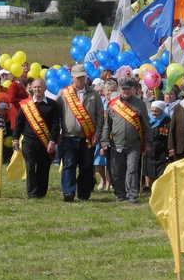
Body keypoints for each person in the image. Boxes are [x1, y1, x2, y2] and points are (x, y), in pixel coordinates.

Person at [55, 64, 104, 202]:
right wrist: (57, 132)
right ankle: (69, 192)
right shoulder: (64, 93)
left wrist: (97, 134)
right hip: (68, 136)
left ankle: (83, 193)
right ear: (72, 78)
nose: (81, 80)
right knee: (69, 164)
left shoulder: (93, 94)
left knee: (86, 166)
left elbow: (100, 116)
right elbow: (57, 115)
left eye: (83, 77)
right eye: (78, 78)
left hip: (88, 137)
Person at [100, 77, 153, 204]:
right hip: (116, 144)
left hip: (134, 144)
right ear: (119, 89)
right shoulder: (113, 104)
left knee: (132, 169)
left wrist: (149, 142)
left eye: (128, 89)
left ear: (133, 89)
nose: (126, 91)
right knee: (117, 171)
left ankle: (132, 194)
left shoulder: (140, 104)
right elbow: (107, 125)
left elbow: (146, 125)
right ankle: (120, 193)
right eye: (123, 89)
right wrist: (104, 142)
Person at [12, 78, 60, 199]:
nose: (37, 89)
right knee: (30, 166)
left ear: (45, 88)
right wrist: (15, 139)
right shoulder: (25, 104)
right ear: (31, 88)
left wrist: (53, 141)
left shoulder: (52, 104)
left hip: (45, 142)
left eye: (39, 87)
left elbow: (55, 125)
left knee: (43, 168)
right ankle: (32, 193)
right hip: (29, 142)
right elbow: (19, 123)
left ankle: (41, 192)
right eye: (35, 87)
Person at [145, 100, 170, 190]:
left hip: (162, 152)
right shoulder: (148, 120)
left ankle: (160, 189)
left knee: (160, 172)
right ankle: (153, 188)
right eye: (152, 111)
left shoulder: (167, 121)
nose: (154, 113)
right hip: (149, 151)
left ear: (162, 111)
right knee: (150, 171)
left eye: (156, 111)